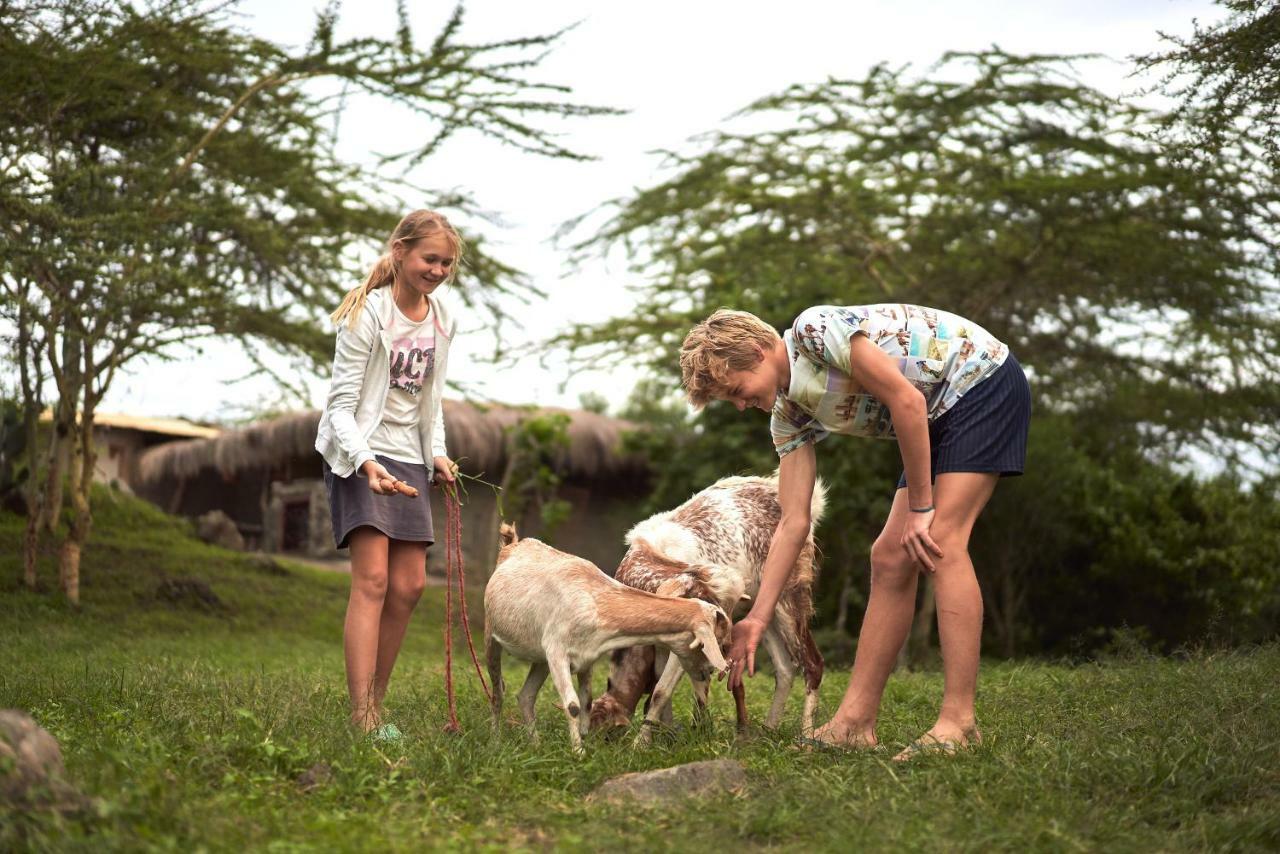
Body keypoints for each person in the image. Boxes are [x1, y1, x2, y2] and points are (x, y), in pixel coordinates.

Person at [680, 304, 1030, 760]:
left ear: (758, 351)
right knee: (888, 557)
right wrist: (758, 617)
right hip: (936, 417)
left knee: (939, 539)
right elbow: (794, 521)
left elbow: (907, 401)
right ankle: (853, 722)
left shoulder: (813, 331)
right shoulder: (788, 415)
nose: (741, 404)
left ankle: (959, 724)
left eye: (737, 390)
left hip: (980, 382)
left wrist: (922, 507)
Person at [315, 209, 463, 738]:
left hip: (409, 457)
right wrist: (366, 463)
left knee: (410, 584)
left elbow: (432, 401)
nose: (439, 270)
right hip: (360, 452)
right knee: (373, 581)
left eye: (447, 262)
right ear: (400, 253)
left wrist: (438, 454)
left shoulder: (443, 320)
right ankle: (363, 716)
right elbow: (339, 407)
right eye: (430, 259)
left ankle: (379, 703)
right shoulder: (367, 315)